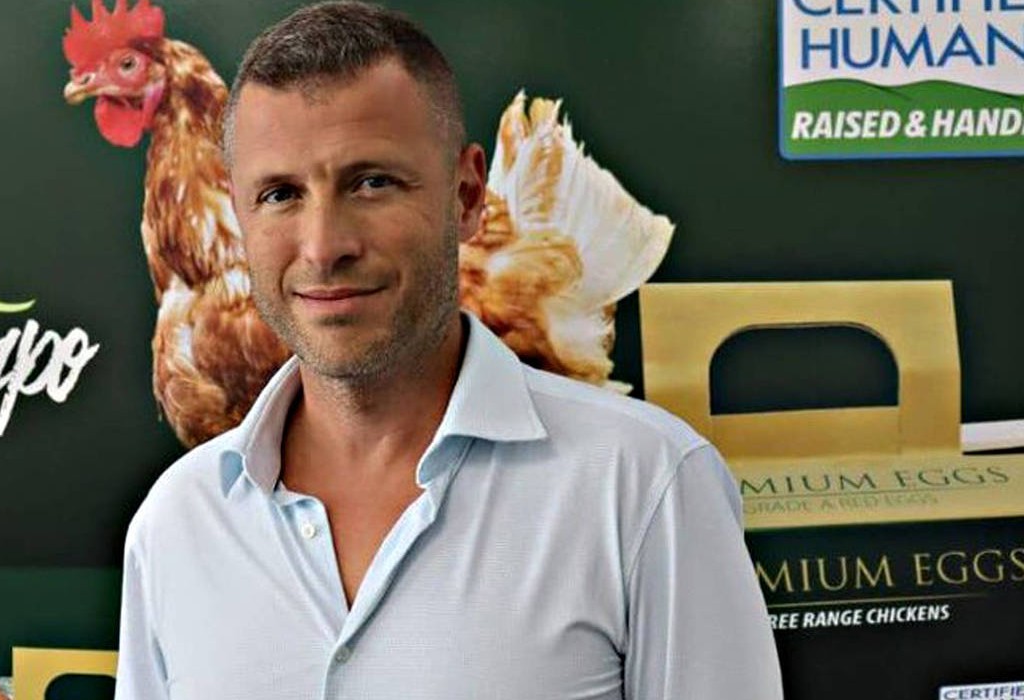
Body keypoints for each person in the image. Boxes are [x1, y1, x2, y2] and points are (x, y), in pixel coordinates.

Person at [114, 2, 783, 699]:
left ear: (466, 197)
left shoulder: (646, 485)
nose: (323, 246)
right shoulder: (176, 523)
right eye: (280, 194)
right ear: (240, 214)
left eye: (371, 183)